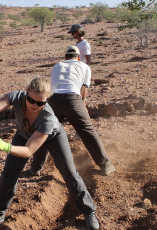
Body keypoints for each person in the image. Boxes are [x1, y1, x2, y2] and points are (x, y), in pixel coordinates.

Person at [0, 77, 100, 230]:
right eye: (31, 100)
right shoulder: (16, 97)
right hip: (24, 135)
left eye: (40, 103)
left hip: (52, 136)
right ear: (26, 93)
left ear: (46, 101)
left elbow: (28, 151)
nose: (34, 106)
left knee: (68, 171)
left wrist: (5, 146)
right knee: (9, 173)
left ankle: (89, 211)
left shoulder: (48, 118)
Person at [30, 46, 115, 177]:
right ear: (79, 57)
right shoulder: (85, 67)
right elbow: (84, 90)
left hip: (53, 100)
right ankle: (105, 165)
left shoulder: (57, 66)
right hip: (73, 99)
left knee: (44, 132)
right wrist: (82, 103)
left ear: (65, 57)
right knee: (87, 131)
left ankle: (35, 168)